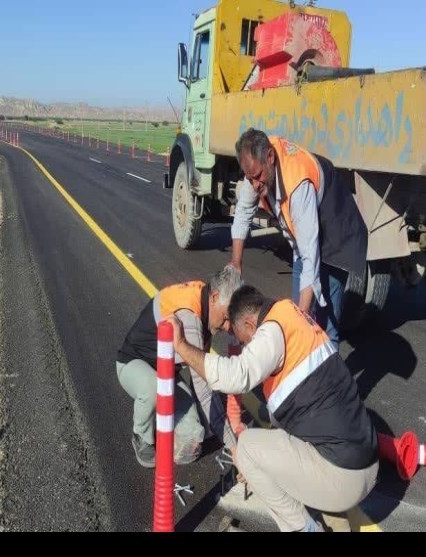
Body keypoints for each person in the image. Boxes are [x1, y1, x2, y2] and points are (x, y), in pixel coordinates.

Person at [166, 285, 378, 532]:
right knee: (258, 449)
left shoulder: (271, 331)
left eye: (245, 341)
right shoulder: (290, 314)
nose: (246, 348)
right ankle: (328, 510)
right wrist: (260, 462)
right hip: (366, 467)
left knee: (246, 447)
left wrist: (180, 345)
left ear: (249, 324)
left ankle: (304, 529)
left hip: (344, 479)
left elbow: (236, 375)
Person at [230, 128, 367, 351]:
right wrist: (236, 262)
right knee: (300, 315)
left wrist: (303, 315)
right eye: (249, 178)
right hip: (305, 236)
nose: (254, 185)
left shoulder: (297, 183)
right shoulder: (255, 165)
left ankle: (332, 381)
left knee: (322, 326)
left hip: (338, 234)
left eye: (257, 177)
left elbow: (310, 257)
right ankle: (305, 370)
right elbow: (243, 212)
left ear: (270, 158)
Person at [116, 265, 243, 468]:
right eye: (227, 317)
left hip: (166, 373)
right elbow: (203, 387)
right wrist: (234, 447)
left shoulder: (207, 301)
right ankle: (141, 435)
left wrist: (210, 424)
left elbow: (200, 375)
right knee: (153, 388)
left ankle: (163, 415)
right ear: (215, 296)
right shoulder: (189, 316)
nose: (228, 326)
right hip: (133, 365)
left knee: (193, 440)